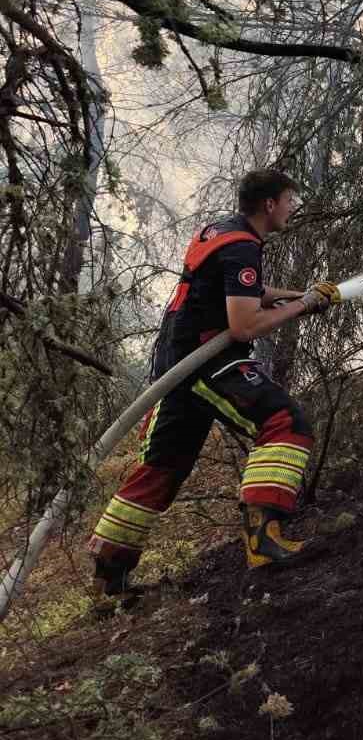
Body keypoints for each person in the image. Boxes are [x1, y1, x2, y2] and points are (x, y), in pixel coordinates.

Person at [87, 170, 341, 598]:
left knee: (163, 466)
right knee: (285, 421)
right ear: (269, 204)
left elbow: (242, 292)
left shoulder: (222, 231)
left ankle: (108, 579)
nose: (295, 207)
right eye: (290, 199)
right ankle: (265, 540)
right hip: (206, 360)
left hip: (177, 361)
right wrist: (302, 305)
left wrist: (300, 295)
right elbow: (243, 327)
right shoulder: (243, 247)